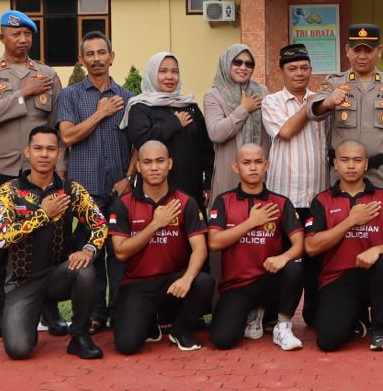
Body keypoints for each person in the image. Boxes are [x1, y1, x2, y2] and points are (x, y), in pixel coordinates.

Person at [0, 10, 64, 339]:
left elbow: (56, 125)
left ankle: (49, 307)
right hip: (1, 170)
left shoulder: (47, 74)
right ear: (2, 38)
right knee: (3, 242)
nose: (22, 40)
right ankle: (2, 308)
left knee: (50, 240)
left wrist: (60, 168)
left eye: (27, 34)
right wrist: (25, 91)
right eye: (15, 34)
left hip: (42, 173)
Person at [0, 125, 106, 361]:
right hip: (22, 283)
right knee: (18, 350)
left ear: (59, 153)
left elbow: (100, 224)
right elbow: (1, 238)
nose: (44, 154)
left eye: (50, 149)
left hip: (57, 276)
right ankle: (34, 312)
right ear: (27, 152)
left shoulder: (71, 190)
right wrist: (43, 214)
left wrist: (88, 250)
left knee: (84, 271)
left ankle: (79, 336)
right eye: (38, 148)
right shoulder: (9, 191)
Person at [105, 139, 215, 355]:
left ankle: (181, 329)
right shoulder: (123, 204)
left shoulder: (185, 202)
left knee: (203, 282)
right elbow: (120, 252)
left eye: (160, 161)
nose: (154, 167)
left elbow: (200, 249)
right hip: (137, 284)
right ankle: (149, 322)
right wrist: (155, 224)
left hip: (173, 281)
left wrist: (187, 279)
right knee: (127, 345)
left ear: (170, 164)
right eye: (147, 162)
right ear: (138, 166)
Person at [302, 140, 383, 352]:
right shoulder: (322, 200)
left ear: (366, 164)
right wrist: (350, 221)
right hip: (337, 278)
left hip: (373, 275)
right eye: (345, 160)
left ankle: (381, 330)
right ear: (335, 164)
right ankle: (356, 319)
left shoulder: (382, 198)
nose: (351, 165)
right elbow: (311, 246)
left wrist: (377, 249)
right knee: (328, 341)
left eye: (357, 160)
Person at [56, 31, 132, 332]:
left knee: (121, 253)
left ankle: (120, 312)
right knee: (91, 252)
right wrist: (100, 113)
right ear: (81, 59)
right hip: (85, 190)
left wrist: (129, 177)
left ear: (112, 57)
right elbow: (67, 136)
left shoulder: (127, 97)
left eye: (102, 52)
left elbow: (137, 145)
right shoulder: (70, 96)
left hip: (120, 190)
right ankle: (95, 313)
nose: (97, 58)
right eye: (90, 54)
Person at [206, 142, 306, 352]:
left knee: (294, 268)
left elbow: (299, 245)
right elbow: (214, 243)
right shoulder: (223, 201)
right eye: (246, 163)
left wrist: (283, 257)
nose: (253, 167)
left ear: (266, 165)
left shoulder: (280, 202)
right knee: (222, 340)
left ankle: (283, 326)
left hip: (270, 280)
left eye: (258, 162)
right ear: (236, 167)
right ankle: (254, 314)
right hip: (237, 285)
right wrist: (251, 222)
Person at [311, 25, 383, 197]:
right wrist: (328, 102)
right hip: (342, 178)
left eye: (368, 50)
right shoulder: (334, 83)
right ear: (347, 50)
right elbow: (314, 111)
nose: (362, 56)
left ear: (379, 51)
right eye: (356, 50)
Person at [124, 52, 213, 204]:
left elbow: (206, 148)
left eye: (174, 71)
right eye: (163, 71)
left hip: (191, 187)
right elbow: (142, 141)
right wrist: (174, 124)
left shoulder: (189, 106)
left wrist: (208, 182)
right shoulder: (140, 107)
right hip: (154, 190)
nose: (170, 76)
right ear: (152, 74)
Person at [261, 43, 331, 216]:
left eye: (304, 68)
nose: (299, 73)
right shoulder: (271, 101)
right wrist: (311, 106)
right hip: (285, 193)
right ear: (281, 72)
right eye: (292, 69)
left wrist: (319, 102)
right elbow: (285, 132)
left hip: (319, 192)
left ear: (311, 70)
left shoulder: (322, 101)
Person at [204, 44, 271, 196]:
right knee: (229, 208)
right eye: (237, 62)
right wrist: (243, 110)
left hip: (259, 172)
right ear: (227, 63)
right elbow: (216, 133)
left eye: (249, 64)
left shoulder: (261, 91)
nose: (243, 67)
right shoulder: (214, 96)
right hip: (230, 172)